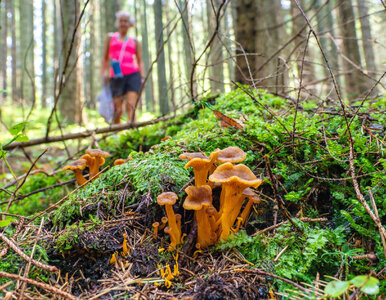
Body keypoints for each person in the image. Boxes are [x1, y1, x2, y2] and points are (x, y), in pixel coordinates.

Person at [101, 11, 145, 124]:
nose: (123, 23)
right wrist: (103, 73)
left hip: (133, 75)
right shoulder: (110, 38)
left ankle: (133, 134)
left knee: (131, 106)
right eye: (121, 21)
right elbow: (105, 58)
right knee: (118, 110)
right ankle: (116, 136)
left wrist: (142, 77)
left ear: (129, 23)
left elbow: (140, 61)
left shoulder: (135, 41)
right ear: (117, 23)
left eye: (125, 21)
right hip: (115, 76)